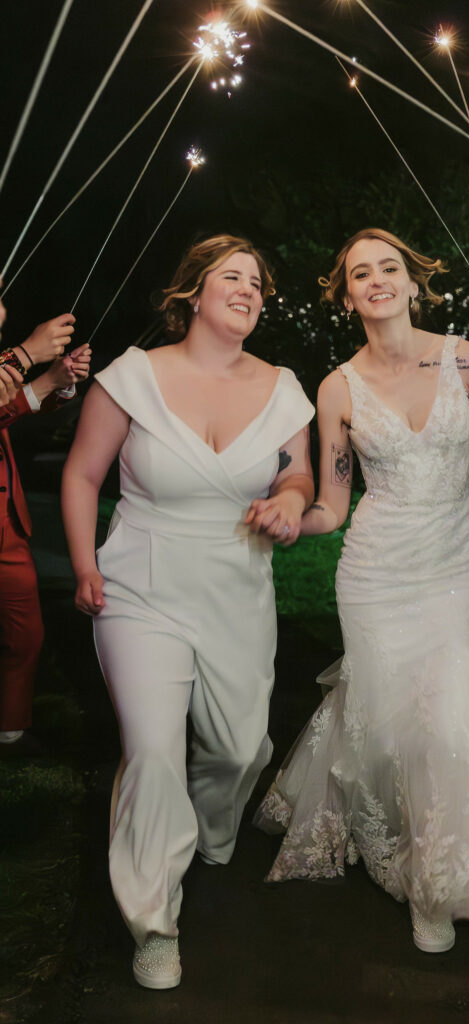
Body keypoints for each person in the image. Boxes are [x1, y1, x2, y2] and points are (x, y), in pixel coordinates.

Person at [254, 227, 469, 957]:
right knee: (395, 728)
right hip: (374, 574)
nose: (376, 280)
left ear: (413, 283)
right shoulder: (337, 386)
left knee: (452, 721)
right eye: (359, 274)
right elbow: (335, 506)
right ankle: (423, 863)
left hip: (453, 568)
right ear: (347, 296)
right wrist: (289, 519)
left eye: (389, 269)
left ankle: (450, 884)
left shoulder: (460, 358)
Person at [61, 234, 315, 989]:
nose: (249, 289)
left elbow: (297, 473)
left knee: (241, 750)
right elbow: (82, 474)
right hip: (141, 582)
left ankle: (208, 828)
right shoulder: (131, 379)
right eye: (232, 277)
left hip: (237, 584)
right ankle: (155, 921)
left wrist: (290, 504)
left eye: (259, 284)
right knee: (152, 751)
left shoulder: (282, 387)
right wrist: (83, 565)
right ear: (192, 294)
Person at [0, 284, 89, 747]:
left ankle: (9, 720)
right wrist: (25, 353)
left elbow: (8, 408)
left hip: (7, 526)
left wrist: (57, 378)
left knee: (26, 632)